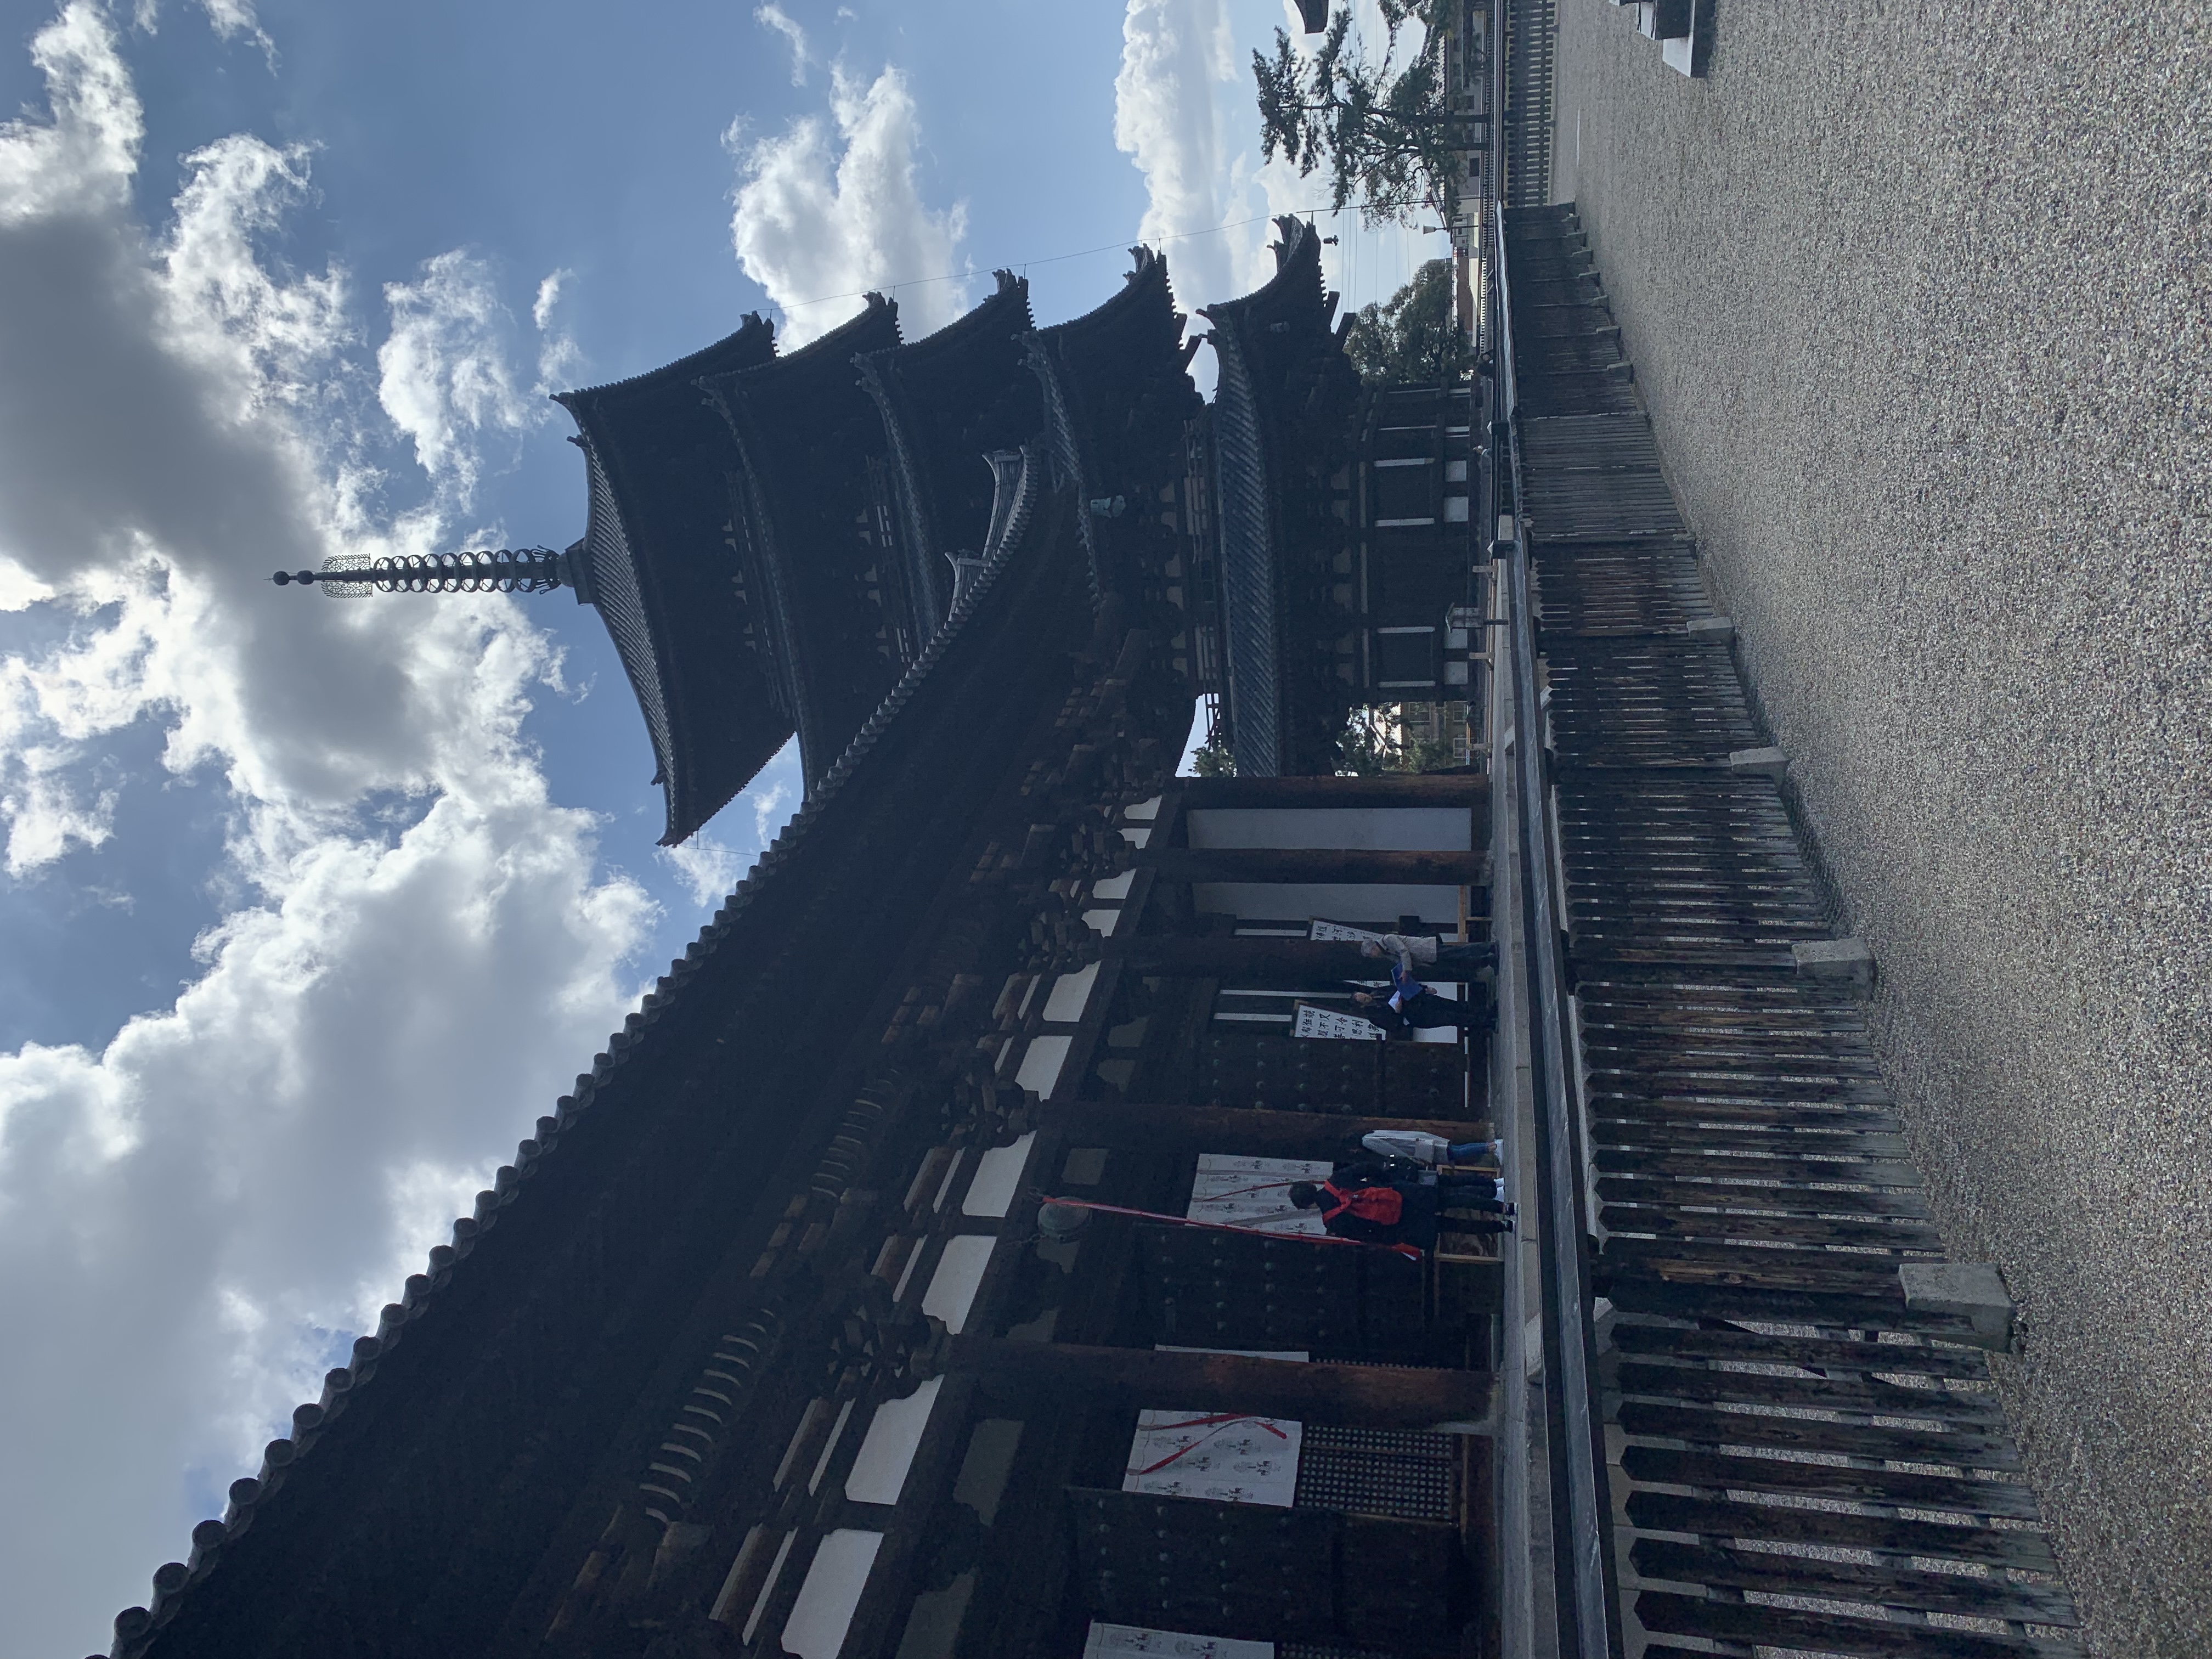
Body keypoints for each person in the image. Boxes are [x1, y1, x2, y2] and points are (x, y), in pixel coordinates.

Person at [1288, 1165, 1513, 1250]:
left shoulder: (1332, 1221)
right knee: (1454, 1199)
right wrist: (1387, 1183)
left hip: (1401, 1224)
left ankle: (1502, 1227)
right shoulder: (1336, 1180)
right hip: (1403, 1195)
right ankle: (1503, 1207)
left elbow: (1367, 1235)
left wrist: (1395, 1238)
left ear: (1307, 1206)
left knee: (1452, 1226)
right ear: (1311, 1185)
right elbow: (1369, 1168)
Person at [1348, 958, 1492, 1037]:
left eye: (1365, 995)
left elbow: (1403, 987)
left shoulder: (1377, 992)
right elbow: (1395, 1027)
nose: (1368, 997)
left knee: (1455, 1006)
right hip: (1417, 1015)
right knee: (1452, 1017)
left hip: (1421, 1000)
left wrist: (1424, 988)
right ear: (1363, 1005)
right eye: (1364, 1000)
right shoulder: (1374, 1016)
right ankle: (1486, 1022)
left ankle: (1485, 1012)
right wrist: (1397, 1012)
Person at [1359, 933, 1498, 981]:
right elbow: (1399, 960)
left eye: (1371, 954)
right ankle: (1487, 960)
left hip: (1428, 949)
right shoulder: (1386, 953)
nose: (1374, 956)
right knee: (1459, 962)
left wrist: (1406, 970)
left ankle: (1489, 947)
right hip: (1426, 958)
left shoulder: (1388, 940)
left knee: (1461, 952)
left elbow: (1404, 951)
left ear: (1373, 948)